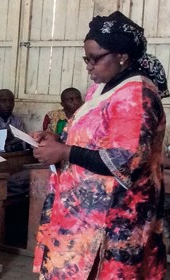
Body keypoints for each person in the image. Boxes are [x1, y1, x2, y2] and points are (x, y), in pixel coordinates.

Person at [31, 11, 168, 279]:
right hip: (81, 216)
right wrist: (57, 141)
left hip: (115, 219)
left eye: (96, 58)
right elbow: (92, 140)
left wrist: (65, 152)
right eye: (86, 58)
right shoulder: (100, 90)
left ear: (122, 56)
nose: (89, 65)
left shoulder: (136, 94)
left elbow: (125, 159)